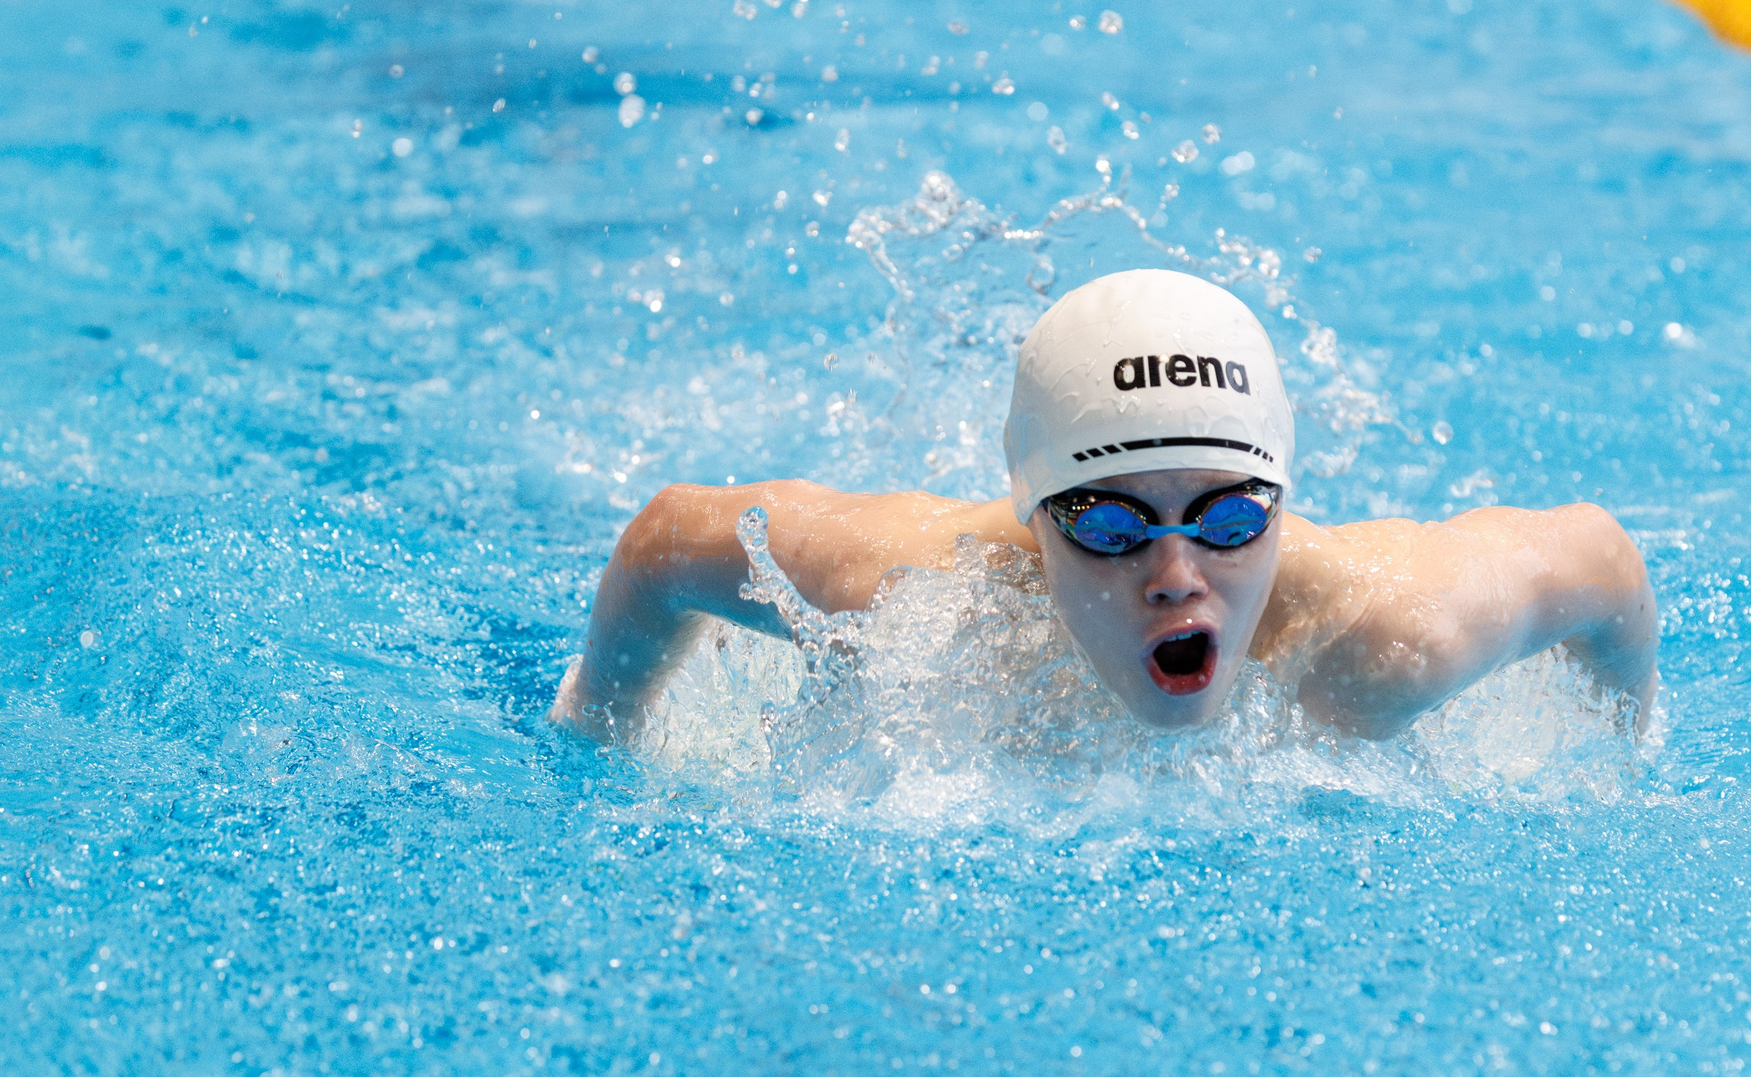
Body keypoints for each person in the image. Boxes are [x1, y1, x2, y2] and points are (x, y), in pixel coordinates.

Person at [551, 269, 1657, 741]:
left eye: (1229, 518)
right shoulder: (909, 597)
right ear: (1034, 515)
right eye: (1111, 524)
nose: (1175, 573)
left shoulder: (1387, 638)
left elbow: (1604, 561)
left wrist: (1620, 761)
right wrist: (597, 735)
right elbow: (663, 542)